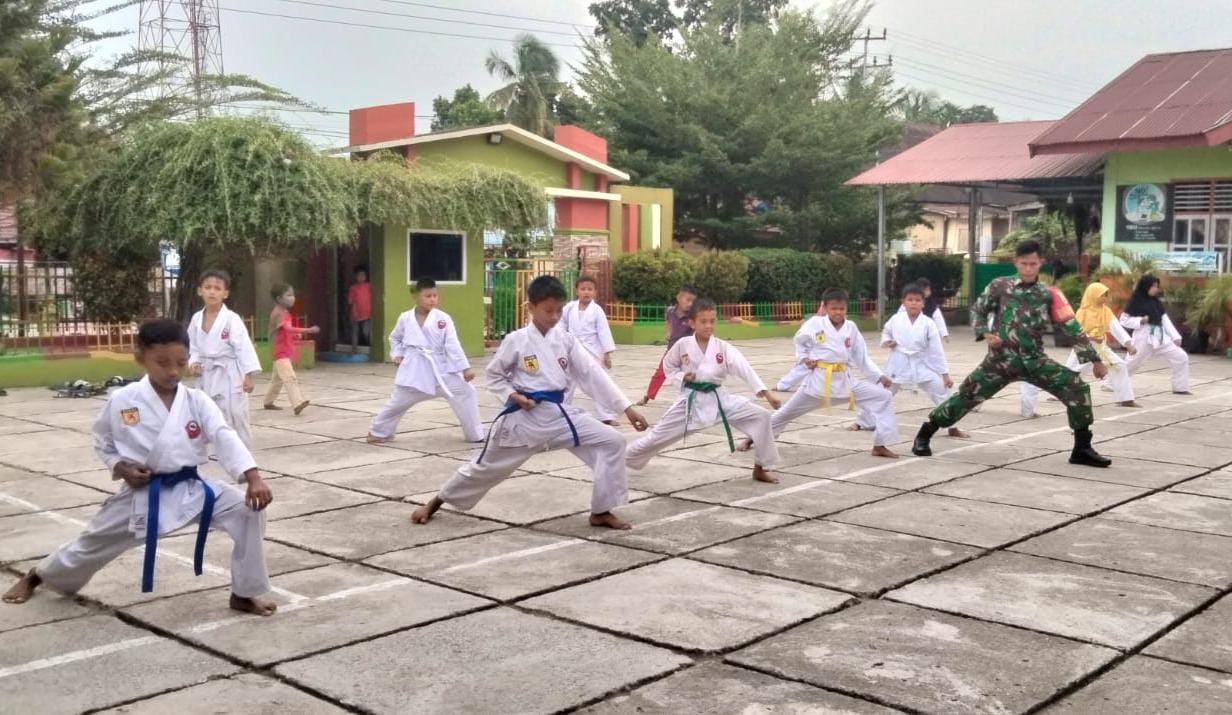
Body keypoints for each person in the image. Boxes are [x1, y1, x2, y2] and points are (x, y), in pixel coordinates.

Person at [2, 320, 276, 615]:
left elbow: (224, 435)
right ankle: (38, 575)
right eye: (162, 363)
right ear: (140, 358)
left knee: (248, 510)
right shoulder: (123, 399)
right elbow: (103, 441)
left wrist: (253, 477)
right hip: (144, 492)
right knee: (92, 543)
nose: (173, 371)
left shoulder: (196, 400)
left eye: (181, 363)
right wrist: (120, 467)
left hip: (191, 488)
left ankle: (244, 594)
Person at [412, 276, 648, 530]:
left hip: (560, 417)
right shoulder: (517, 340)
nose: (555, 316)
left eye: (559, 310)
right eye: (548, 310)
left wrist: (627, 408)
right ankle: (435, 502)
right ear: (531, 307)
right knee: (484, 468)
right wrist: (511, 394)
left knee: (612, 441)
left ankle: (601, 511)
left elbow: (593, 374)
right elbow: (494, 375)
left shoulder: (565, 340)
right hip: (524, 421)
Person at [911, 241, 1111, 467]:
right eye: (1024, 263)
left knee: (1076, 387)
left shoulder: (1049, 294)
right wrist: (985, 333)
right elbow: (978, 310)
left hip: (1034, 360)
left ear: (1040, 263)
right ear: (1016, 262)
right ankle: (925, 434)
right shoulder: (1000, 286)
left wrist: (1095, 360)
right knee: (967, 395)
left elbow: (1071, 326)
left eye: (1033, 264)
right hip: (999, 361)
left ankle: (1082, 448)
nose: (1028, 268)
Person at [627, 299, 783, 483]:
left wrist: (766, 393)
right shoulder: (683, 345)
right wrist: (681, 377)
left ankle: (760, 468)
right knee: (656, 437)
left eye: (712, 321)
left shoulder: (722, 347)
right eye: (703, 321)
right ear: (692, 323)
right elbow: (668, 366)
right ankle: (619, 459)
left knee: (762, 417)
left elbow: (744, 368)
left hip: (720, 400)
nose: (709, 326)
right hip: (691, 402)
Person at [753, 288, 900, 459]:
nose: (838, 312)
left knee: (883, 396)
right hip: (818, 384)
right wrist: (805, 359)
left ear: (846, 308)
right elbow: (800, 343)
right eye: (834, 308)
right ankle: (753, 438)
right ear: (825, 307)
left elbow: (862, 357)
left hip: (844, 381)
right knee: (786, 413)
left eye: (842, 309)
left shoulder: (851, 327)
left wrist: (879, 376)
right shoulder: (815, 324)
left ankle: (880, 444)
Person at [367, 278, 482, 444]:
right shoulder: (405, 318)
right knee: (397, 402)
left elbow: (452, 345)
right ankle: (378, 432)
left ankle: (475, 434)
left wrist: (465, 368)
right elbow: (395, 338)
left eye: (435, 296)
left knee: (466, 392)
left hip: (441, 370)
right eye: (428, 296)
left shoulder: (443, 318)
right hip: (414, 369)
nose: (432, 299)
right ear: (416, 297)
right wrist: (397, 354)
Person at [857, 283, 967, 440]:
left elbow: (936, 351)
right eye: (910, 300)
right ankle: (862, 422)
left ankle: (952, 426)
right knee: (880, 392)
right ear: (903, 302)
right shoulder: (896, 319)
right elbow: (886, 333)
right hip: (898, 362)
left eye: (917, 300)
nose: (913, 303)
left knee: (942, 392)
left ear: (923, 303)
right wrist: (888, 341)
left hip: (921, 364)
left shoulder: (928, 323)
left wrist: (945, 374)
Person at [1020, 282, 1139, 416]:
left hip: (1101, 348)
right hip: (1082, 346)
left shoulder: (1106, 311)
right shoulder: (1082, 312)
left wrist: (1128, 344)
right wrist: (1092, 338)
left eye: (1106, 295)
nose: (1105, 298)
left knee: (1120, 366)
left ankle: (1126, 399)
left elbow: (1116, 327)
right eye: (1102, 295)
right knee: (1071, 372)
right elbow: (1075, 332)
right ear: (1093, 295)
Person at [188, 269, 261, 446]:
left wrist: (249, 375)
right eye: (208, 287)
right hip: (207, 372)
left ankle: (245, 459)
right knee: (207, 413)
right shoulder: (196, 319)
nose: (212, 291)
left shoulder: (231, 319)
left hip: (230, 373)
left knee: (236, 414)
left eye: (217, 288)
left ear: (225, 293)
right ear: (200, 291)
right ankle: (218, 453)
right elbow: (193, 346)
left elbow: (243, 347)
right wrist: (194, 362)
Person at [560, 275, 618, 424]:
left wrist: (607, 354)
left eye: (590, 289)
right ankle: (561, 412)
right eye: (583, 289)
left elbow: (603, 331)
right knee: (567, 382)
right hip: (571, 349)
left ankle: (606, 416)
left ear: (595, 292)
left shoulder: (597, 310)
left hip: (592, 350)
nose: (586, 292)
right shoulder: (569, 308)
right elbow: (560, 326)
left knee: (600, 382)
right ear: (576, 291)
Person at [1122, 274, 1190, 395]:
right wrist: (1140, 320)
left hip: (1160, 336)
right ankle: (1111, 383)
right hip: (1143, 335)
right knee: (1133, 362)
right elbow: (1124, 320)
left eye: (1156, 286)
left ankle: (1180, 387)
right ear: (1145, 286)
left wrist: (1175, 337)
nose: (1155, 289)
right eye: (1152, 286)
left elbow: (1164, 320)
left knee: (1181, 357)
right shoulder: (1135, 301)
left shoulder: (1156, 302)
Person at [263, 283, 319, 415]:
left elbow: (284, 330)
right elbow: (287, 328)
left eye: (293, 294)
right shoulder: (279, 312)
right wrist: (308, 330)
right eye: (288, 295)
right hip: (280, 350)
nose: (292, 298)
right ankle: (297, 403)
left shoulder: (283, 312)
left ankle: (268, 401)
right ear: (279, 299)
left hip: (282, 349)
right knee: (289, 377)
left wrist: (296, 334)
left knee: (277, 379)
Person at [637, 286, 696, 406]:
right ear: (679, 298)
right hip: (671, 351)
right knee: (660, 373)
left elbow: (697, 329)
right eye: (688, 300)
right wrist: (668, 332)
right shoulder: (670, 311)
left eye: (693, 301)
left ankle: (692, 398)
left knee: (689, 374)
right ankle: (648, 396)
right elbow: (668, 321)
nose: (690, 304)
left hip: (685, 353)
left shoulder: (692, 316)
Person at [773, 303, 825, 392]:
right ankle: (782, 385)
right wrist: (803, 356)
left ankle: (783, 385)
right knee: (803, 367)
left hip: (820, 351)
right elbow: (800, 339)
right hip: (810, 350)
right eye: (822, 306)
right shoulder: (814, 321)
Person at [347, 266, 372, 354]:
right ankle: (354, 350)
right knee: (355, 332)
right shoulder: (353, 288)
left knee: (366, 332)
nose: (362, 277)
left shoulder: (369, 286)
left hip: (368, 314)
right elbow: (352, 302)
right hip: (356, 314)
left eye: (363, 275)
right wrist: (354, 313)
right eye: (359, 275)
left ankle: (369, 347)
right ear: (356, 277)